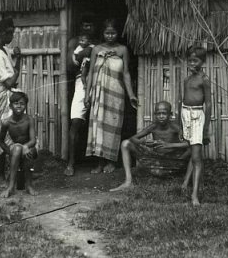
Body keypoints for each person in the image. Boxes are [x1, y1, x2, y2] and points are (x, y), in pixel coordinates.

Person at [84, 19, 137, 174]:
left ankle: (111, 161)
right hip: (99, 93)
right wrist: (87, 95)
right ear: (103, 33)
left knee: (113, 127)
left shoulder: (122, 50)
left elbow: (126, 73)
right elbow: (91, 73)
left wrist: (131, 95)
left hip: (116, 94)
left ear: (118, 33)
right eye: (107, 33)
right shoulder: (96, 50)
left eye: (113, 33)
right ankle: (99, 163)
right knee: (98, 127)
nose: (110, 36)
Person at [110, 101, 190, 191]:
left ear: (170, 114)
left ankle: (186, 181)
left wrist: (169, 145)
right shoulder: (153, 127)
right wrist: (144, 142)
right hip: (156, 161)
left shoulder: (175, 128)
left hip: (173, 162)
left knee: (194, 149)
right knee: (125, 143)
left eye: (164, 113)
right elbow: (133, 138)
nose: (161, 116)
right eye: (158, 114)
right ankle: (128, 181)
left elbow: (189, 143)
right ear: (155, 114)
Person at [0, 17, 21, 185]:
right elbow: (9, 82)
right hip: (3, 96)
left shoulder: (3, 52)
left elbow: (13, 73)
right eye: (10, 34)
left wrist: (18, 60)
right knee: (3, 133)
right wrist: (17, 70)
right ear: (1, 33)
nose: (12, 37)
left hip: (9, 95)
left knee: (13, 133)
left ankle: (14, 173)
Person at [180, 46, 212, 206]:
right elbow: (183, 100)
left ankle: (194, 195)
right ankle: (186, 183)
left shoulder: (204, 79)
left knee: (196, 157)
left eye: (195, 60)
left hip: (198, 116)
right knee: (193, 152)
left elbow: (209, 104)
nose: (192, 63)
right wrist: (181, 124)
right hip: (185, 114)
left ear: (202, 62)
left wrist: (205, 129)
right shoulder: (187, 79)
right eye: (190, 60)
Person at [64, 29, 93, 176]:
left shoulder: (98, 44)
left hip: (98, 82)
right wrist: (85, 51)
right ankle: (71, 163)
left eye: (90, 25)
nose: (87, 28)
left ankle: (101, 163)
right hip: (81, 84)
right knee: (75, 122)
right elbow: (70, 64)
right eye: (84, 25)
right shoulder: (75, 44)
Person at [0, 91, 37, 198]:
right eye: (16, 103)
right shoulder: (7, 122)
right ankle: (11, 187)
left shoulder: (29, 120)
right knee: (16, 149)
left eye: (22, 103)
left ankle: (29, 185)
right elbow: (0, 141)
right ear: (10, 106)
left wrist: (26, 147)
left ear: (26, 106)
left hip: (30, 148)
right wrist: (8, 152)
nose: (19, 106)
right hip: (16, 150)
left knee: (25, 151)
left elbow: (33, 140)